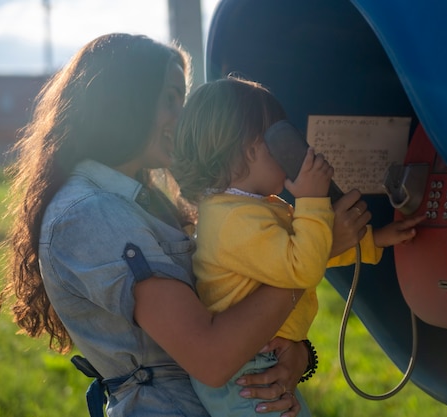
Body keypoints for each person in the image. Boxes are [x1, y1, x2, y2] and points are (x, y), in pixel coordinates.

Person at [0, 33, 372, 417]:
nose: (184, 116)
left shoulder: (148, 202)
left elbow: (234, 305)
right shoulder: (92, 214)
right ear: (125, 100)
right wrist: (315, 254)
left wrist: (295, 358)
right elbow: (211, 359)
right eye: (171, 99)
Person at [170, 76, 424, 417]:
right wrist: (311, 199)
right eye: (281, 142)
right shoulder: (233, 221)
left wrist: (374, 240)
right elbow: (302, 265)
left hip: (262, 359)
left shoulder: (249, 208)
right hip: (249, 372)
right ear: (251, 150)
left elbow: (311, 245)